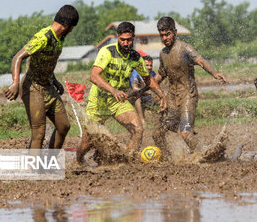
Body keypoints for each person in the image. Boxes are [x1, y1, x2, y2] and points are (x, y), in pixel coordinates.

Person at [76, 22, 167, 164]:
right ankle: (79, 160)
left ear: (133, 38)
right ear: (117, 37)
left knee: (138, 129)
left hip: (118, 102)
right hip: (98, 102)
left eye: (129, 40)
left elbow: (148, 79)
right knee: (87, 142)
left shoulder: (135, 57)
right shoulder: (107, 51)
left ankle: (127, 162)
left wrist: (162, 95)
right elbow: (93, 76)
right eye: (122, 39)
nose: (126, 43)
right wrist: (113, 90)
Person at [4, 5, 79, 149]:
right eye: (71, 27)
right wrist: (15, 83)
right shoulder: (43, 37)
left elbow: (46, 61)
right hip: (33, 88)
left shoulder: (59, 38)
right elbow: (18, 57)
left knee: (64, 126)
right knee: (39, 133)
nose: (71, 30)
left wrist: (55, 80)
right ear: (66, 26)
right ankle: (34, 170)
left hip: (48, 86)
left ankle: (48, 165)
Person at [153, 16, 227, 158]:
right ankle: (167, 159)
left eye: (167, 34)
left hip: (188, 95)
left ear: (174, 32)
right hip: (172, 98)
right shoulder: (163, 53)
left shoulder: (185, 48)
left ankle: (204, 156)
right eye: (161, 35)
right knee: (157, 133)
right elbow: (161, 74)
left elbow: (201, 61)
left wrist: (214, 73)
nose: (164, 38)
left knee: (186, 133)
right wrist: (147, 85)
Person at [129, 55, 157, 125]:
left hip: (146, 96)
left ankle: (155, 119)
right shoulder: (135, 73)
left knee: (160, 97)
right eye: (147, 65)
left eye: (151, 65)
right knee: (137, 97)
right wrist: (149, 92)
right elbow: (134, 89)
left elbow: (156, 87)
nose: (149, 67)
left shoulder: (153, 73)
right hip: (132, 96)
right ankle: (142, 120)